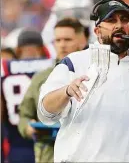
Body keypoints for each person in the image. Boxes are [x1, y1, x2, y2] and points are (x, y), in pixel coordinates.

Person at [37, 0, 129, 162]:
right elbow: (45, 112)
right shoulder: (74, 62)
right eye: (111, 20)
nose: (119, 25)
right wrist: (66, 91)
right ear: (97, 31)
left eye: (124, 19)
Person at [18, 18, 86, 163]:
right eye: (58, 40)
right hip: (49, 154)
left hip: (84, 154)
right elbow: (24, 114)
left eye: (67, 39)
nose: (62, 45)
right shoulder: (41, 77)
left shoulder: (94, 74)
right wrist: (28, 128)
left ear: (83, 40)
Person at [1, 31, 51, 163]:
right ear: (42, 48)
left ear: (17, 49)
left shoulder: (5, 68)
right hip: (49, 145)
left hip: (17, 146)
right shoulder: (53, 65)